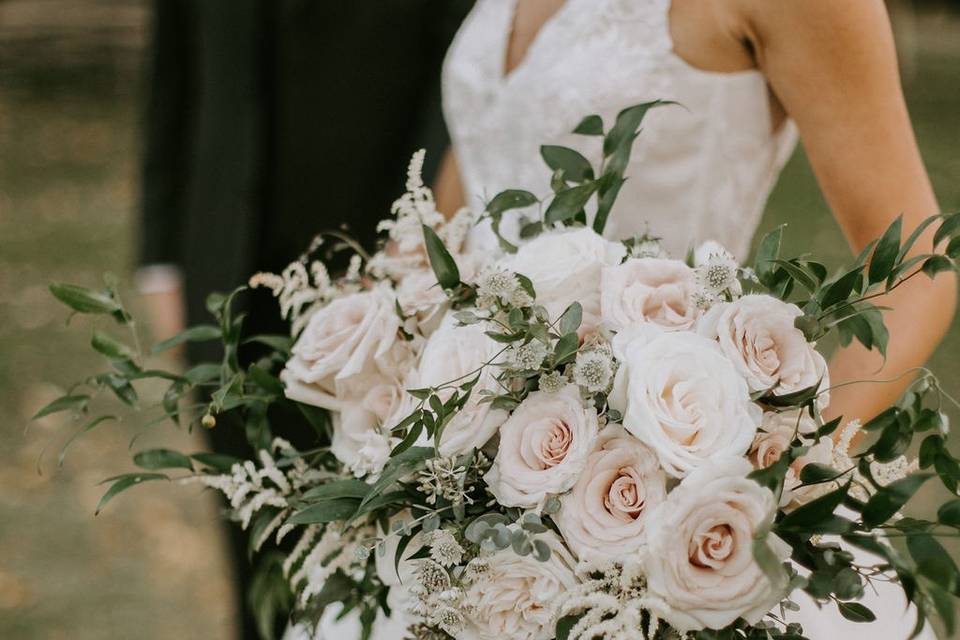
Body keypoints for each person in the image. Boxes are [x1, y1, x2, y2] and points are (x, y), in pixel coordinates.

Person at [314, 0, 956, 637]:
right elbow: (482, 160)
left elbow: (920, 265)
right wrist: (380, 338)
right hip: (458, 485)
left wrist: (782, 465)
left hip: (643, 500)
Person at [137, 1, 472, 637]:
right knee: (252, 548)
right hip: (222, 275)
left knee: (360, 558)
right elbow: (172, 77)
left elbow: (455, 71)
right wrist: (161, 260)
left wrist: (412, 235)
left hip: (372, 282)